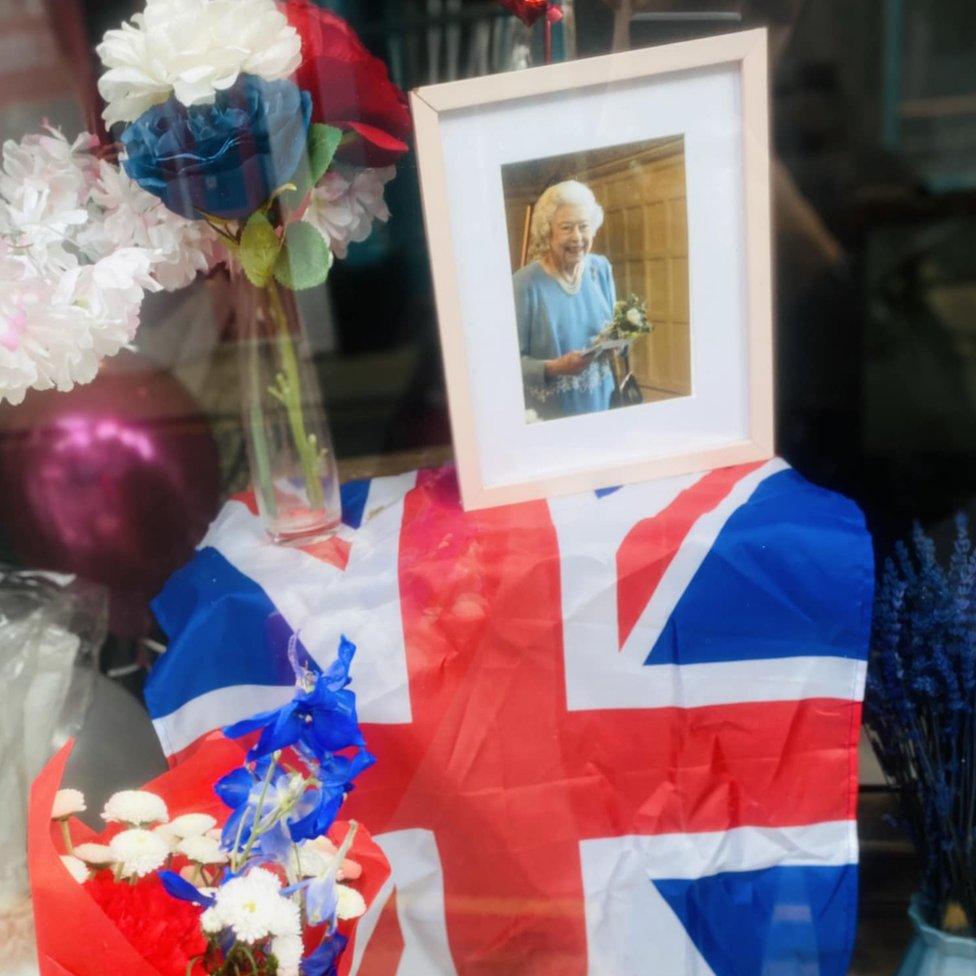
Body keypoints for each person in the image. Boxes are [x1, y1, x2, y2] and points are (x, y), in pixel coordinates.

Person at [513, 180, 616, 421]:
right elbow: (507, 365)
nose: (577, 237)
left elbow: (613, 330)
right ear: (547, 232)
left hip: (603, 403)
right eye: (567, 227)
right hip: (553, 414)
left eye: (584, 226)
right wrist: (556, 367)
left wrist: (623, 339)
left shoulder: (600, 269)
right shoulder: (524, 284)